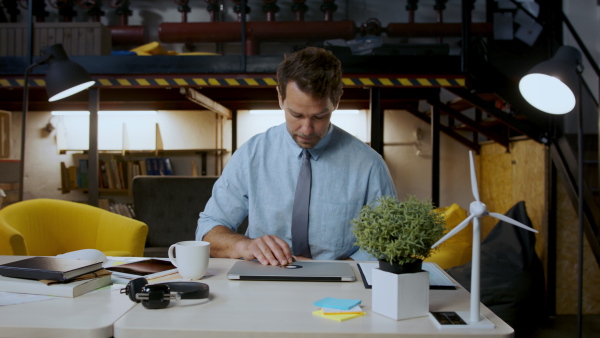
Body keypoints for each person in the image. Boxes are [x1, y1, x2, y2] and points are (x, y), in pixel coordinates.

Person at [196, 46, 396, 266]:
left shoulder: (369, 165)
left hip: (343, 284)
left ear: (337, 101)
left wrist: (339, 268)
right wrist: (244, 245)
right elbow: (209, 230)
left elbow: (388, 241)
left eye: (319, 116)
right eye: (296, 114)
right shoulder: (250, 156)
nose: (307, 129)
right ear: (280, 98)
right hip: (266, 280)